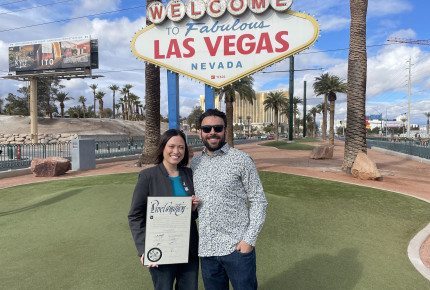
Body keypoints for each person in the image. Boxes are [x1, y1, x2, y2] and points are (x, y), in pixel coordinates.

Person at [190, 109, 268, 290]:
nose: (212, 132)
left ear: (225, 130)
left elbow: (259, 201)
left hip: (237, 248)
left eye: (217, 128)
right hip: (207, 250)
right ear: (200, 132)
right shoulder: (195, 163)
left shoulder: (241, 160)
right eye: (207, 128)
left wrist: (249, 240)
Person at [128, 129, 199, 290]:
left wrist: (193, 209)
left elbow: (190, 215)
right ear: (163, 148)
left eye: (181, 147)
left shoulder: (189, 174)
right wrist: (144, 248)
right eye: (171, 146)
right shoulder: (148, 176)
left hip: (189, 249)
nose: (176, 151)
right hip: (160, 250)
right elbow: (135, 215)